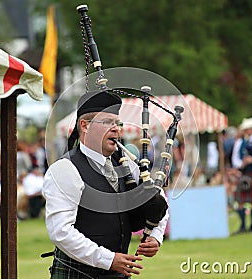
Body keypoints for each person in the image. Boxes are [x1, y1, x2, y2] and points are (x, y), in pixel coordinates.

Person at [42, 90, 169, 279]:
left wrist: (156, 235)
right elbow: (60, 232)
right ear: (85, 126)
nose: (116, 128)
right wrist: (108, 260)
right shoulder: (65, 169)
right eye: (108, 122)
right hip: (77, 274)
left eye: (117, 123)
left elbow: (157, 197)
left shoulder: (125, 164)